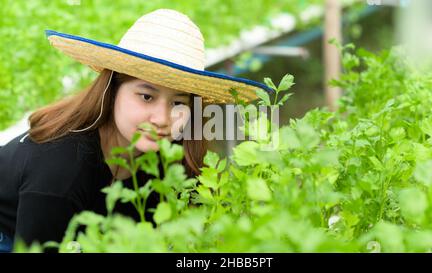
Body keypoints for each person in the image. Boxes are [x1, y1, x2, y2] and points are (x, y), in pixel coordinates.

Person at [0, 9, 271, 253]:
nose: (163, 119)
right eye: (146, 97)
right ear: (112, 89)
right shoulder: (60, 170)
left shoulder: (169, 164)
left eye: (178, 102)